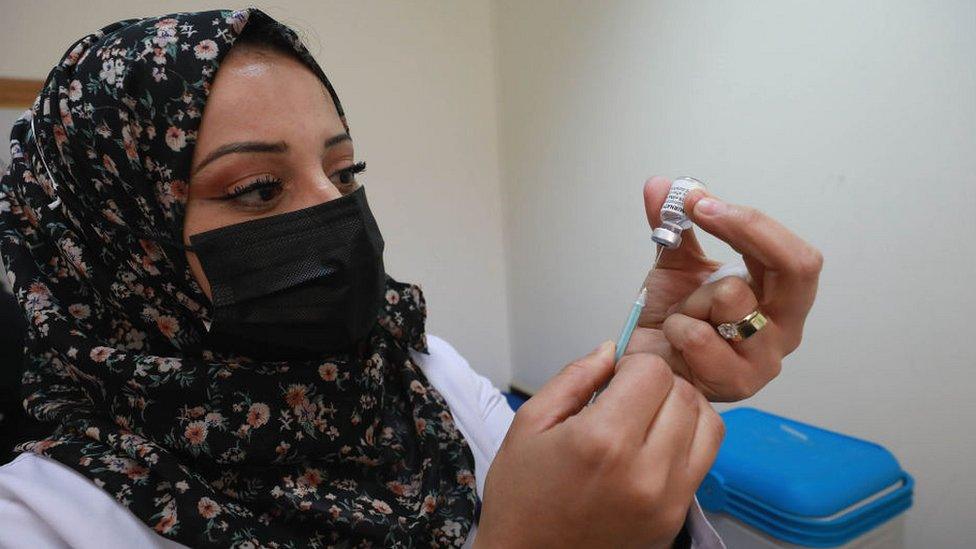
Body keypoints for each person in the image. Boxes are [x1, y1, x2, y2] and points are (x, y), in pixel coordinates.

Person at [0, 8, 821, 548]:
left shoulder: (417, 370)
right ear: (110, 243)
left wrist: (647, 371)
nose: (337, 216)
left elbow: (575, 499)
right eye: (257, 189)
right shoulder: (41, 516)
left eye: (345, 173)